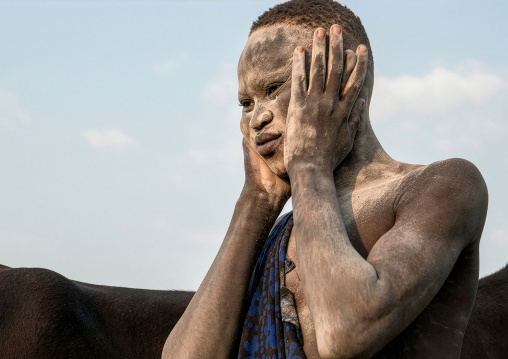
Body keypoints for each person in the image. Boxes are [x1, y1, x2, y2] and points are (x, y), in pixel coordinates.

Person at [162, 0, 488, 358]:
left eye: (272, 89)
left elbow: (346, 332)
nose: (256, 118)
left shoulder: (441, 185)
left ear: (345, 77)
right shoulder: (279, 230)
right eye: (245, 103)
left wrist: (309, 163)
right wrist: (256, 203)